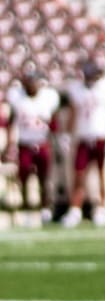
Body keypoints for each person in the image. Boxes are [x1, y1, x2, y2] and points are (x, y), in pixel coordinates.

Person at [59, 58, 105, 228]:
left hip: (101, 136)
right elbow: (73, 114)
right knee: (78, 175)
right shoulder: (77, 90)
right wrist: (66, 135)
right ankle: (75, 210)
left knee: (102, 174)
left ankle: (102, 208)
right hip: (84, 137)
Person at [4, 68, 61, 225]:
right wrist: (10, 145)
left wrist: (56, 141)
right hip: (25, 143)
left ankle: (45, 209)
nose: (32, 85)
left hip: (42, 143)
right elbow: (11, 122)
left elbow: (54, 124)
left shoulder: (47, 98)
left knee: (44, 179)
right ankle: (26, 208)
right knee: (23, 177)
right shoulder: (18, 98)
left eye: (34, 81)